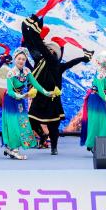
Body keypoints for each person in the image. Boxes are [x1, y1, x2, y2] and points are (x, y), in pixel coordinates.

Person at [21, 14, 91, 155]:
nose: (49, 51)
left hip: (52, 98)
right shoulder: (40, 60)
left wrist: (83, 58)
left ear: (55, 54)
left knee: (53, 125)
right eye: (49, 49)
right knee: (32, 119)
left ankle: (54, 147)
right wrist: (28, 29)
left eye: (52, 50)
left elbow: (69, 62)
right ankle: (42, 135)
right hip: (40, 95)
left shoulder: (54, 63)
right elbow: (32, 45)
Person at [1, 48, 57, 160]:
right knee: (13, 124)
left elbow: (36, 84)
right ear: (14, 59)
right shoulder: (11, 73)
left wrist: (46, 92)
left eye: (23, 59)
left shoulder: (27, 71)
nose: (21, 61)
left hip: (20, 100)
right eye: (19, 59)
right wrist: (22, 96)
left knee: (22, 123)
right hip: (11, 101)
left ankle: (10, 148)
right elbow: (10, 91)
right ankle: (14, 149)